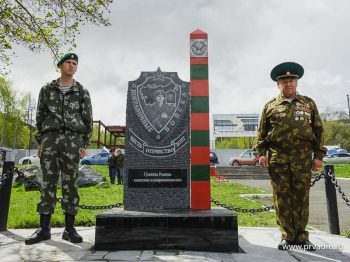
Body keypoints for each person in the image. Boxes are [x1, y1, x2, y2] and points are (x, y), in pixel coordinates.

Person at [254, 62, 326, 251]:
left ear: (297, 82)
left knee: (301, 197)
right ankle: (287, 236)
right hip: (278, 159)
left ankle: (302, 237)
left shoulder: (308, 104)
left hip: (302, 159)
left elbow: (318, 131)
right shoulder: (270, 107)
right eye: (284, 81)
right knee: (282, 197)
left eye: (292, 80)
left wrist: (318, 156)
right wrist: (261, 154)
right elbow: (261, 134)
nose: (288, 84)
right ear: (278, 84)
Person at [25, 53, 93, 245]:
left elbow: (87, 119)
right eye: (68, 63)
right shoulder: (47, 89)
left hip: (72, 140)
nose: (72, 66)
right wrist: (40, 141)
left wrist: (84, 143)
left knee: (70, 183)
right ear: (60, 65)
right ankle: (44, 229)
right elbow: (40, 115)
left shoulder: (81, 91)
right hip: (50, 138)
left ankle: (69, 229)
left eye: (75, 63)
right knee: (48, 182)